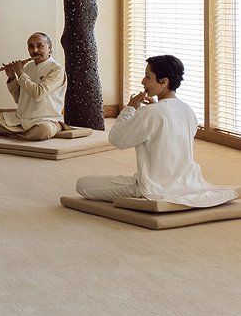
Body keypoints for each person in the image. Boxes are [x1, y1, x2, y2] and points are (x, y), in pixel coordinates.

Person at [76, 55, 238, 207]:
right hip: (188, 183)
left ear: (164, 82)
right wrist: (154, 108)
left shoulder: (148, 113)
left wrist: (130, 108)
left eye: (148, 77)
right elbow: (170, 132)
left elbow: (116, 139)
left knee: (82, 185)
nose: (143, 81)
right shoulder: (187, 110)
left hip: (152, 188)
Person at [0, 32, 67, 141]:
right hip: (21, 119)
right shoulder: (28, 67)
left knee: (44, 130)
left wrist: (20, 73)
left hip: (46, 120)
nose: (34, 50)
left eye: (39, 46)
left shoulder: (56, 69)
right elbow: (19, 98)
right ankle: (24, 134)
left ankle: (15, 133)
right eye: (31, 46)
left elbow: (38, 93)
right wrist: (12, 77)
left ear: (49, 48)